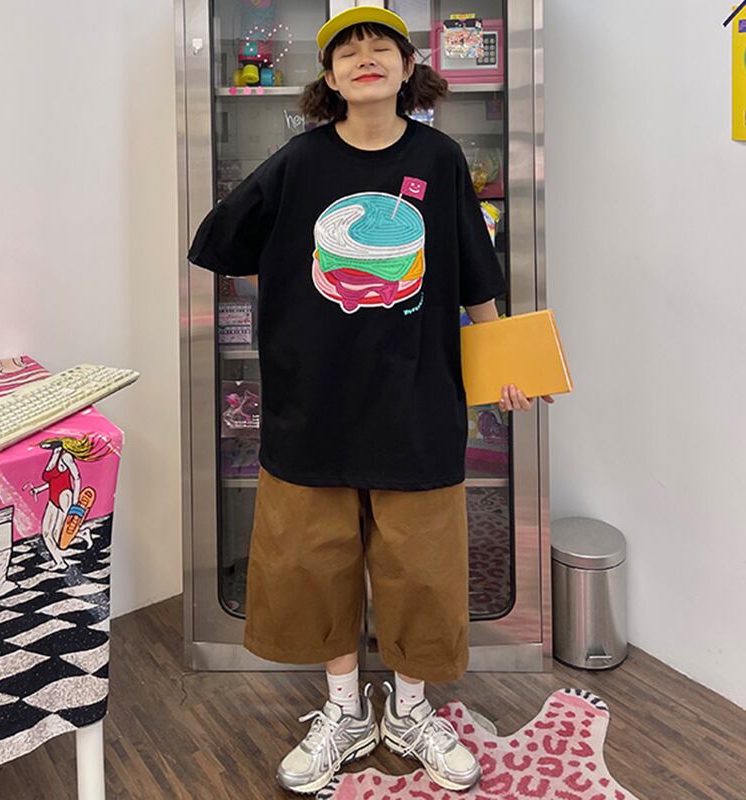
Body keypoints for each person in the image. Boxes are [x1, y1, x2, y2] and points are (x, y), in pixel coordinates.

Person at [188, 6, 555, 794]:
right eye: (347, 50)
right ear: (328, 78)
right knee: (314, 562)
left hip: (417, 398)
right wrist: (295, 287)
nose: (365, 57)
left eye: (381, 46)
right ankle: (345, 709)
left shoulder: (440, 158)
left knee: (421, 568)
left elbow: (476, 271)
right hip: (312, 401)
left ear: (407, 68)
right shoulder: (299, 160)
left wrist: (505, 359)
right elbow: (222, 240)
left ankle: (411, 709)